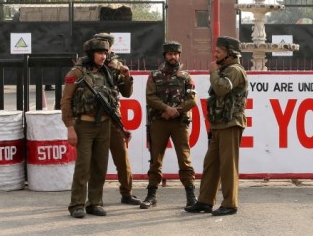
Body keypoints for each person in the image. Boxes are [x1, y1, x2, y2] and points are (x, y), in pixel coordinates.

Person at [61, 36, 133, 218]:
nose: (103, 56)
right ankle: (77, 204)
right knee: (83, 166)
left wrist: (126, 76)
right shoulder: (76, 74)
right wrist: (69, 127)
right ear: (91, 54)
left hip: (105, 124)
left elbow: (126, 92)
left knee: (100, 166)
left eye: (105, 53)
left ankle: (95, 203)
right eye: (100, 53)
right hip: (84, 125)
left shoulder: (107, 73)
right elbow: (66, 101)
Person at [186, 36, 248, 216]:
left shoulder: (235, 70)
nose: (215, 55)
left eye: (219, 52)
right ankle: (205, 201)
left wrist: (213, 72)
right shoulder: (226, 69)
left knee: (228, 166)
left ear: (230, 54)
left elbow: (221, 89)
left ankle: (230, 203)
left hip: (230, 123)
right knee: (211, 164)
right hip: (219, 124)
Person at [140, 41, 197, 209]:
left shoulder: (186, 76)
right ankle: (151, 195)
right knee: (155, 159)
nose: (173, 57)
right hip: (159, 121)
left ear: (179, 55)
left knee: (184, 159)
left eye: (176, 54)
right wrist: (165, 109)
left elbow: (192, 100)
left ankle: (190, 195)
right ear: (164, 56)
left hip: (179, 122)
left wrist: (175, 111)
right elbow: (150, 97)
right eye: (170, 54)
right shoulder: (155, 75)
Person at [92, 32, 141, 206]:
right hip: (93, 118)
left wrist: (127, 76)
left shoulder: (117, 65)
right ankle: (95, 198)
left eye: (108, 46)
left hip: (113, 117)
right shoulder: (89, 63)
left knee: (121, 157)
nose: (105, 50)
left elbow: (126, 92)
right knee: (97, 161)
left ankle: (127, 193)